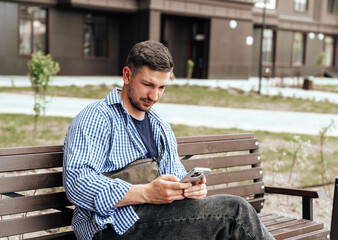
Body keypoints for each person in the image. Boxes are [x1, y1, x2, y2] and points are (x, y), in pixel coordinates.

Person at [63, 40, 275, 240]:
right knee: (234, 213)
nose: (154, 96)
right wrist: (146, 193)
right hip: (112, 227)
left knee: (227, 225)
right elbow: (77, 182)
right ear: (127, 76)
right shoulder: (97, 117)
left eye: (161, 88)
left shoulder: (159, 125)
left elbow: (175, 175)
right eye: (148, 84)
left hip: (157, 218)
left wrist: (191, 189)